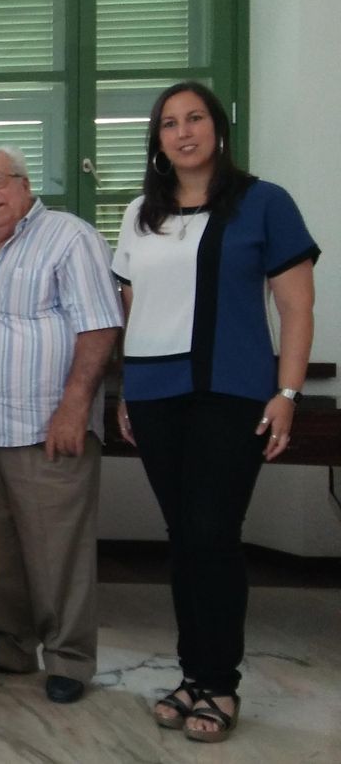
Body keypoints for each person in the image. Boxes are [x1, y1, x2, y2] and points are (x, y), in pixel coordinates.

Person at [115, 82, 318, 743]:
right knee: (184, 538)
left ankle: (220, 683)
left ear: (217, 128)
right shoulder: (141, 212)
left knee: (213, 533)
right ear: (158, 140)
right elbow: (129, 309)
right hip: (152, 395)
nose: (183, 131)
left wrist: (286, 396)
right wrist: (124, 389)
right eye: (169, 123)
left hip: (229, 393)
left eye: (195, 117)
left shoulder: (265, 203)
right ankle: (191, 674)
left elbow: (295, 308)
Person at [0, 146, 123, 704]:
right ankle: (10, 646)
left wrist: (75, 407)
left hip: (47, 424)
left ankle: (69, 657)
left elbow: (98, 326)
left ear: (24, 184)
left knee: (57, 555)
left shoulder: (70, 237)